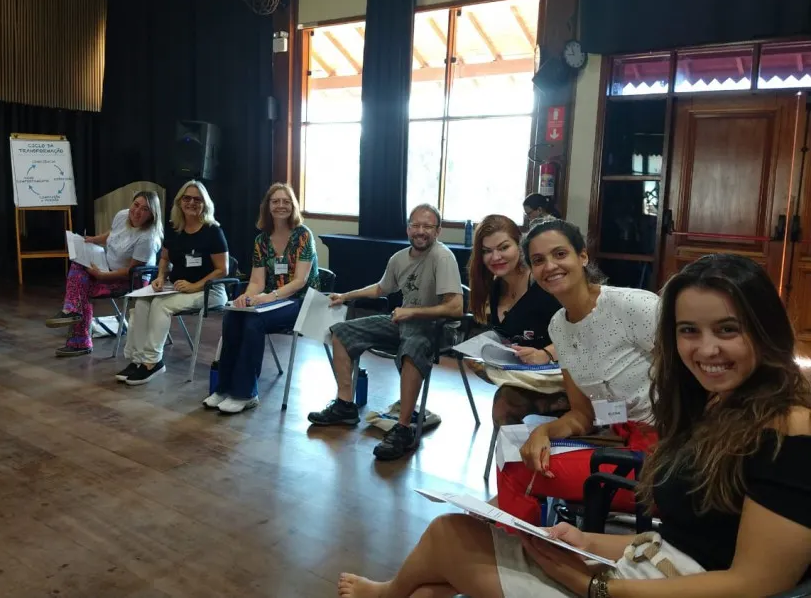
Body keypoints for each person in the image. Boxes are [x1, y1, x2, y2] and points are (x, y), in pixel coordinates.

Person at [336, 253, 811, 598]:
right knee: (437, 570)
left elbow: (757, 581)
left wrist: (595, 585)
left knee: (449, 540)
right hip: (650, 566)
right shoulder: (714, 404)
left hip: (656, 585)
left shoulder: (789, 428)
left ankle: (390, 593)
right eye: (689, 331)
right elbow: (686, 535)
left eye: (727, 329)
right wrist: (588, 541)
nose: (706, 349)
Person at [499, 218, 658, 524]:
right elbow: (582, 414)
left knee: (516, 469)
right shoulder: (559, 327)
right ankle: (534, 543)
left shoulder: (633, 306)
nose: (550, 266)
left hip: (662, 457)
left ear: (582, 256)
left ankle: (527, 548)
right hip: (620, 440)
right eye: (538, 260)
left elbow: (695, 375)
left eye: (560, 254)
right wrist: (543, 431)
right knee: (513, 448)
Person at [307, 203, 463, 461]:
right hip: (404, 322)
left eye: (427, 226)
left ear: (438, 231)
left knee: (412, 346)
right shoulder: (399, 258)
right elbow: (381, 289)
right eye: (415, 225)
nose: (420, 231)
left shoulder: (443, 257)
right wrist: (345, 296)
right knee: (341, 331)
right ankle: (345, 405)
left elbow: (456, 308)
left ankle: (403, 428)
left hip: (438, 328)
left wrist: (412, 312)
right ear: (408, 229)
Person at [201, 183, 320, 413]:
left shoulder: (303, 235)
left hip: (303, 302)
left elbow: (300, 281)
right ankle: (224, 388)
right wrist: (246, 298)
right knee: (233, 317)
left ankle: (245, 393)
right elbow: (257, 282)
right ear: (267, 206)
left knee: (253, 321)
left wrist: (269, 297)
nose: (281, 205)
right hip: (271, 301)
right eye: (275, 201)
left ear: (293, 206)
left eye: (286, 201)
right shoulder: (261, 241)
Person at [119, 180, 229, 386]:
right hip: (177, 287)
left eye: (197, 199)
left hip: (209, 290)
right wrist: (161, 277)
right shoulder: (174, 228)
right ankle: (138, 360)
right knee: (141, 303)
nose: (191, 203)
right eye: (187, 198)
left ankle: (153, 362)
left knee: (161, 305)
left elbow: (223, 270)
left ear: (205, 203)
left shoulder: (213, 231)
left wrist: (195, 286)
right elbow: (164, 258)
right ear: (179, 202)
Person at [466, 214, 566, 426]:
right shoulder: (494, 287)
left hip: (565, 377)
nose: (495, 257)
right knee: (503, 406)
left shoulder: (543, 280)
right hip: (526, 377)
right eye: (487, 251)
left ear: (519, 245)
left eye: (503, 247)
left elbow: (581, 333)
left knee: (504, 404)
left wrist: (545, 354)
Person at [45, 191, 161, 358]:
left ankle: (79, 338)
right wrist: (93, 240)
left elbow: (130, 271)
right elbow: (112, 235)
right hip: (108, 266)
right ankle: (72, 311)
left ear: (152, 215)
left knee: (83, 286)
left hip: (132, 280)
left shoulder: (148, 238)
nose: (137, 211)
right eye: (136, 205)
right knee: (78, 264)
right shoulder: (123, 215)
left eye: (145, 209)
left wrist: (101, 276)